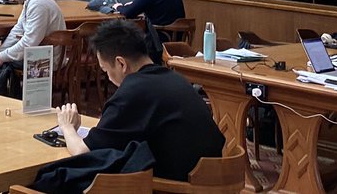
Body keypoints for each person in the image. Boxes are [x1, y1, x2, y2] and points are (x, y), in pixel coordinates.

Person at [49, 20, 224, 182]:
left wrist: (67, 127)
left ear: (121, 64)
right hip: (213, 180)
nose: (108, 78)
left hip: (177, 187)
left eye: (105, 70)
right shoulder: (175, 78)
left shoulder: (134, 91)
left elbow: (83, 152)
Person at [0, 0, 66, 68]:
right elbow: (18, 29)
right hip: (40, 53)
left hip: (47, 60)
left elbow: (30, 42)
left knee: (5, 64)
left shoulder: (38, 3)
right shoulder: (31, 1)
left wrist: (2, 57)